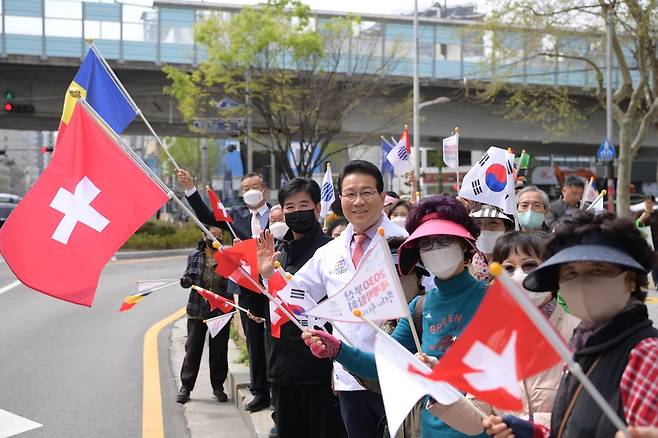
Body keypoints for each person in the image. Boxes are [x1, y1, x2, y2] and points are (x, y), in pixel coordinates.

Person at [301, 195, 490, 438]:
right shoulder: (419, 308)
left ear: (465, 245)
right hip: (430, 429)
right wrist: (339, 351)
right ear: (418, 254)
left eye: (444, 240)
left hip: (486, 427)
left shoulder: (494, 299)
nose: (436, 250)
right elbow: (382, 366)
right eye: (426, 244)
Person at [483, 210, 658, 437]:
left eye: (598, 270)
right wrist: (535, 432)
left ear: (629, 280)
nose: (583, 283)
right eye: (570, 273)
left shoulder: (645, 353)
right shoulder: (582, 342)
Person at [267, 160, 408, 438]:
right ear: (340, 199)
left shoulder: (405, 244)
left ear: (382, 197)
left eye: (367, 193)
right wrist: (266, 275)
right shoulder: (331, 252)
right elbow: (296, 297)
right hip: (349, 380)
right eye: (350, 194)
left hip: (397, 378)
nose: (358, 201)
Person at [256, 177, 346, 438]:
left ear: (318, 209)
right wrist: (265, 275)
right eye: (290, 207)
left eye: (303, 205)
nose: (296, 213)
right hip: (283, 371)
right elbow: (274, 311)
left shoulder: (333, 251)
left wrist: (338, 369)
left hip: (320, 370)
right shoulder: (278, 254)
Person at [177, 169, 271, 412]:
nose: (250, 192)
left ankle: (278, 388)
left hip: (275, 285)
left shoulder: (278, 214)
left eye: (255, 187)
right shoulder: (235, 217)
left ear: (265, 191)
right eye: (245, 188)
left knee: (276, 338)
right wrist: (190, 189)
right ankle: (260, 391)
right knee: (254, 341)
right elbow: (206, 214)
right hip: (248, 287)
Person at [177, 226, 231, 404]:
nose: (215, 237)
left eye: (219, 235)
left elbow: (232, 283)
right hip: (196, 310)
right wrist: (186, 281)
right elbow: (188, 279)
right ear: (203, 235)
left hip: (219, 312)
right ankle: (186, 387)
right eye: (211, 234)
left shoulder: (226, 257)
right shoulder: (194, 257)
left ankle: (218, 387)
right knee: (192, 350)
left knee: (219, 351)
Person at [469, 204, 514, 282]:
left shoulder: (514, 262)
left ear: (506, 228)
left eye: (493, 222)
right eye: (478, 223)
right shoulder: (469, 264)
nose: (485, 229)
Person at [635, 195, 657, 286]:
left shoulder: (656, 214)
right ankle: (642, 280)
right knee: (645, 262)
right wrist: (641, 219)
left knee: (656, 262)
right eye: (646, 202)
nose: (648, 204)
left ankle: (656, 282)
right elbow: (635, 226)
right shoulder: (640, 213)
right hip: (645, 242)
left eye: (650, 202)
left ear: (653, 203)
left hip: (656, 242)